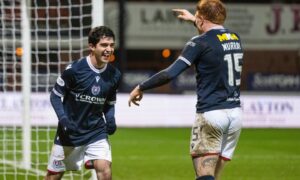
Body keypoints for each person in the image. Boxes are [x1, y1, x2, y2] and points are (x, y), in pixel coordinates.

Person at [128, 0, 243, 180]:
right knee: (215, 176)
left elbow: (169, 73)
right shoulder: (235, 38)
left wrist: (141, 86)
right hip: (235, 115)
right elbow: (214, 35)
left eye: (197, 17)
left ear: (202, 19)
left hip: (212, 114)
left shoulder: (198, 43)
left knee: (204, 175)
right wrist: (195, 19)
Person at [45, 26, 121, 180]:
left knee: (104, 169)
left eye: (111, 45)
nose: (109, 49)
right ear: (92, 46)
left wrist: (111, 119)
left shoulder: (114, 75)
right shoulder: (74, 70)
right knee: (53, 177)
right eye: (104, 45)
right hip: (70, 133)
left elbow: (109, 103)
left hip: (96, 131)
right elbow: (55, 96)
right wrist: (64, 120)